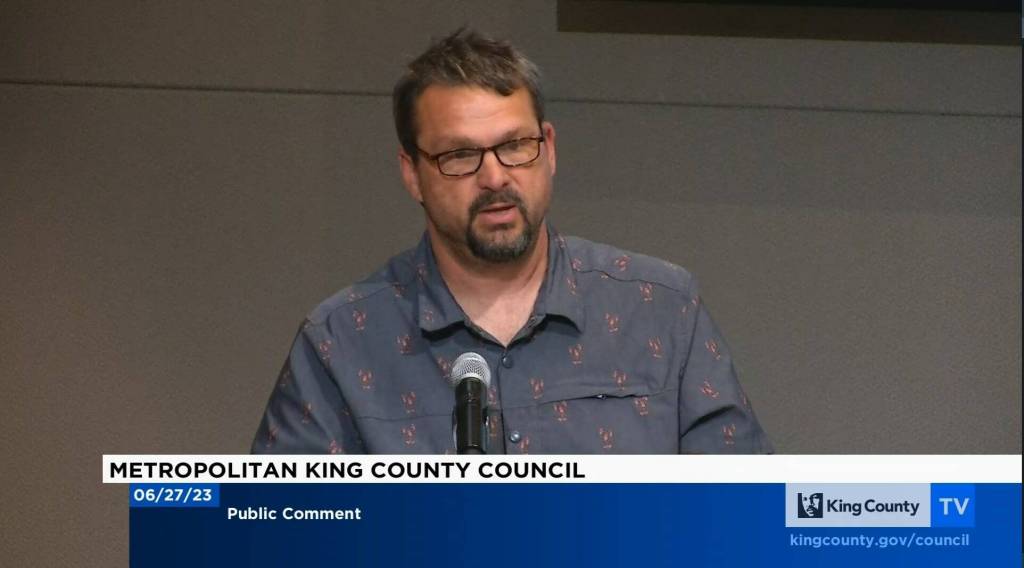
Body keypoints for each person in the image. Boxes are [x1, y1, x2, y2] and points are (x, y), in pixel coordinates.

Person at [251, 28, 772, 454]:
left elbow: (746, 520)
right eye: (459, 156)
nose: (495, 176)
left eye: (514, 146)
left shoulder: (660, 309)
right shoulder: (341, 343)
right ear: (412, 174)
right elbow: (281, 535)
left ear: (548, 149)